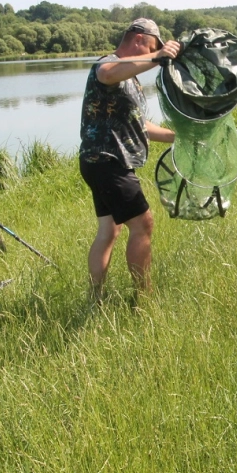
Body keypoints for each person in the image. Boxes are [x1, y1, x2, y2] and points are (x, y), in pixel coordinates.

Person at [79, 18, 180, 303]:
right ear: (139, 40)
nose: (153, 54)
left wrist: (176, 137)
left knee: (109, 230)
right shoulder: (109, 64)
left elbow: (140, 125)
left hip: (101, 162)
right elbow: (107, 73)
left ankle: (95, 298)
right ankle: (143, 297)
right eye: (151, 47)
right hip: (108, 161)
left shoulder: (130, 78)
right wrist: (158, 57)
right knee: (143, 224)